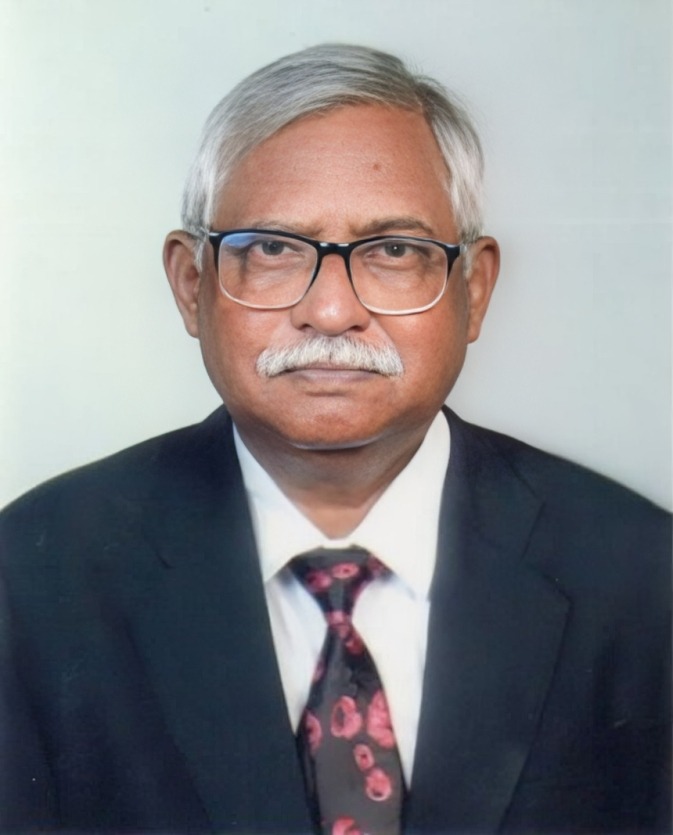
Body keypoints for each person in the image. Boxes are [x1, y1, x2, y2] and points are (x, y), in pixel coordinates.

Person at [0, 43, 670, 835]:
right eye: (272, 249)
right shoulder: (33, 578)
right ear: (191, 284)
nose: (329, 311)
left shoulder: (640, 578)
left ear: (473, 288)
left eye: (393, 251)